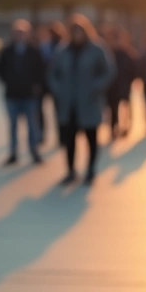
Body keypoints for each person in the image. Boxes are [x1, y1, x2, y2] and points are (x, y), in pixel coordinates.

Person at [49, 14, 114, 186]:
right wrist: (59, 90)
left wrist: (96, 86)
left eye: (80, 31)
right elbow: (52, 73)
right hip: (69, 104)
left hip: (89, 102)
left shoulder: (97, 49)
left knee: (91, 139)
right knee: (69, 140)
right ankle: (70, 171)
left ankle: (90, 170)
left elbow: (108, 71)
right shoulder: (62, 51)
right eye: (74, 31)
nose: (77, 34)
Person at [0, 20, 46, 165]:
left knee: (32, 125)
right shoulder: (7, 51)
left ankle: (34, 150)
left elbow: (41, 70)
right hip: (12, 94)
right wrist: (8, 80)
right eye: (17, 33)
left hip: (29, 94)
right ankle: (13, 152)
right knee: (13, 125)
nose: (20, 36)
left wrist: (35, 85)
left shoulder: (33, 51)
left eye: (22, 33)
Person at [103, 26, 137, 140]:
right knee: (113, 109)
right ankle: (113, 128)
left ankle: (125, 126)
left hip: (123, 84)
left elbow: (133, 68)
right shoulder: (107, 53)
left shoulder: (126, 54)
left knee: (125, 107)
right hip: (112, 86)